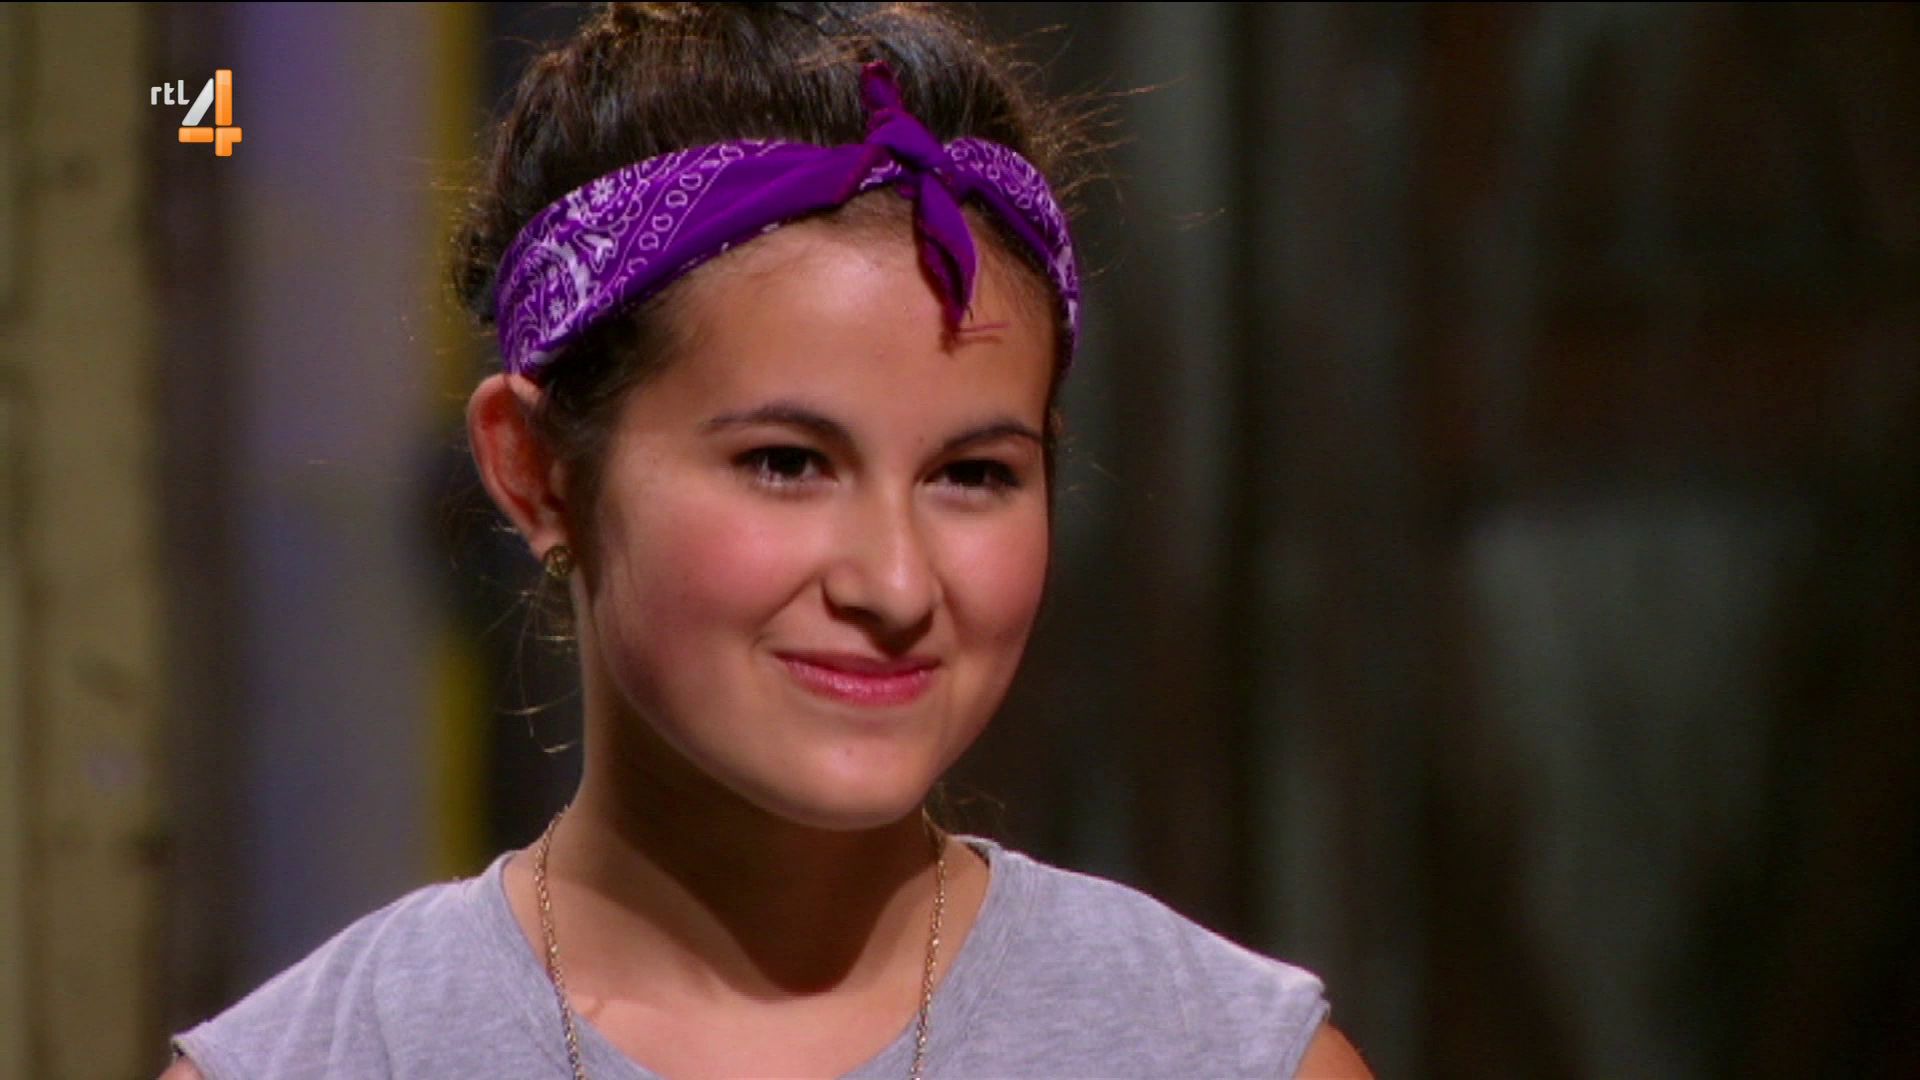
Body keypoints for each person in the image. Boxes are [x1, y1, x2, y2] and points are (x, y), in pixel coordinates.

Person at [166, 4, 1369, 1077]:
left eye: (973, 474)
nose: (895, 583)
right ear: (536, 472)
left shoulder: (1221, 1055)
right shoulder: (324, 1061)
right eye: (786, 463)